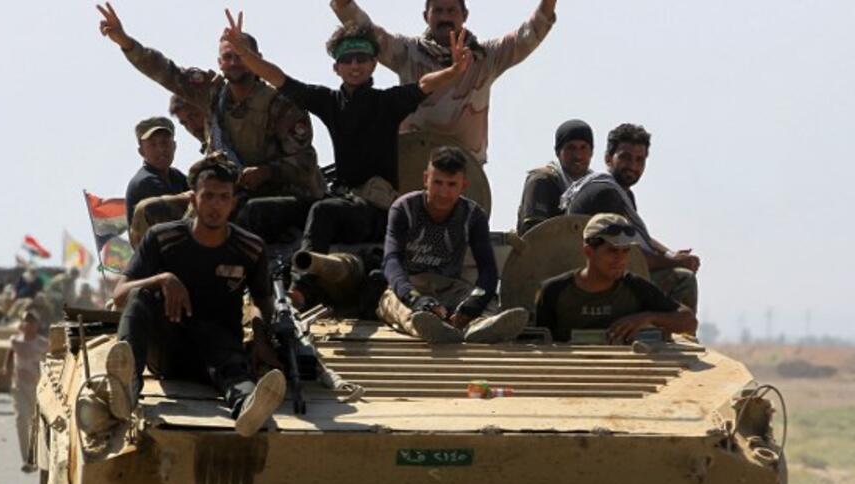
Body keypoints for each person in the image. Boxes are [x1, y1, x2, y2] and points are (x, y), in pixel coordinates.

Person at [219, 12, 472, 306]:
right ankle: (233, 284)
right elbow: (279, 79)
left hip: (375, 211)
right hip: (341, 199)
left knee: (324, 212)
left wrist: (453, 72)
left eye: (362, 59)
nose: (355, 66)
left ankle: (301, 288)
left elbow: (425, 84)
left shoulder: (387, 103)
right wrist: (244, 54)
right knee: (257, 211)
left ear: (373, 64)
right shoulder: (329, 102)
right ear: (336, 67)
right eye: (348, 59)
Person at [98, 3, 327, 243]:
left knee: (241, 214)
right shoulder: (213, 94)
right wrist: (126, 42)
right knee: (148, 210)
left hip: (281, 196)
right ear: (220, 63)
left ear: (256, 59)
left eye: (241, 55)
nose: (235, 62)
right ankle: (151, 276)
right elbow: (166, 72)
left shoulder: (281, 104)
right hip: (225, 192)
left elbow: (305, 162)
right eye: (228, 57)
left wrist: (266, 172)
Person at [109, 155, 287, 437]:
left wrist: (261, 335)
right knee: (141, 294)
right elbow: (119, 295)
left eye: (223, 197)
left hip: (217, 349)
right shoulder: (162, 238)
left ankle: (248, 409)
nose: (215, 205)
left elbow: (263, 299)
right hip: (167, 348)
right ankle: (125, 387)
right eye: (208, 196)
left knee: (233, 366)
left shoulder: (250, 248)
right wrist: (162, 279)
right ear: (193, 199)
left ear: (234, 202)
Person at [331, 0, 557, 163]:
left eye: (451, 10)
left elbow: (529, 34)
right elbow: (367, 31)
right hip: (412, 164)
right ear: (426, 16)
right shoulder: (407, 53)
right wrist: (343, 5)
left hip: (464, 170)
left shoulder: (485, 57)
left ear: (465, 15)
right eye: (438, 10)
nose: (445, 17)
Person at [379, 146, 528, 343]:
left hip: (450, 288)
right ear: (426, 180)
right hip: (410, 286)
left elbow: (488, 270)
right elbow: (391, 261)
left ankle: (480, 327)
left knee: (488, 301)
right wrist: (414, 298)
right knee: (392, 303)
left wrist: (473, 304)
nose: (443, 192)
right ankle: (427, 327)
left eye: (451, 184)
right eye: (437, 182)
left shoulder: (473, 216)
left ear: (463, 185)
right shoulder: (404, 208)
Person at [563, 123, 701, 310]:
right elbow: (627, 256)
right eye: (626, 158)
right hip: (600, 279)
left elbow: (636, 237)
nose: (633, 166)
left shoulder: (620, 192)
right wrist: (674, 262)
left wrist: (670, 254)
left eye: (639, 160)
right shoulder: (606, 194)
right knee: (683, 278)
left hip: (607, 273)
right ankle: (674, 333)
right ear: (608, 158)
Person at [535, 214, 697, 343]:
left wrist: (648, 317)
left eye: (625, 251)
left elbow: (689, 321)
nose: (621, 260)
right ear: (589, 251)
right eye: (612, 251)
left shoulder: (636, 288)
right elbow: (540, 343)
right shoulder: (554, 292)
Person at [517, 119, 594, 235]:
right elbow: (534, 235)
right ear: (558, 152)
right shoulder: (542, 181)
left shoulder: (595, 186)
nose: (578, 156)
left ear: (591, 152)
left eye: (583, 148)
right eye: (571, 148)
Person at [4, 311, 49, 472]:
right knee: (21, 420)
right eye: (26, 322)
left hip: (38, 387)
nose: (29, 325)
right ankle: (27, 459)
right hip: (19, 386)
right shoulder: (15, 341)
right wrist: (6, 367)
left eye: (32, 322)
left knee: (38, 423)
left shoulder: (43, 343)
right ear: (22, 324)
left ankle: (41, 457)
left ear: (37, 325)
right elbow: (10, 352)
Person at [124, 116, 189, 224]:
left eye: (165, 142)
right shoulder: (145, 182)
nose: (161, 149)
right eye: (152, 145)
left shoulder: (176, 176)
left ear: (174, 146)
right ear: (141, 151)